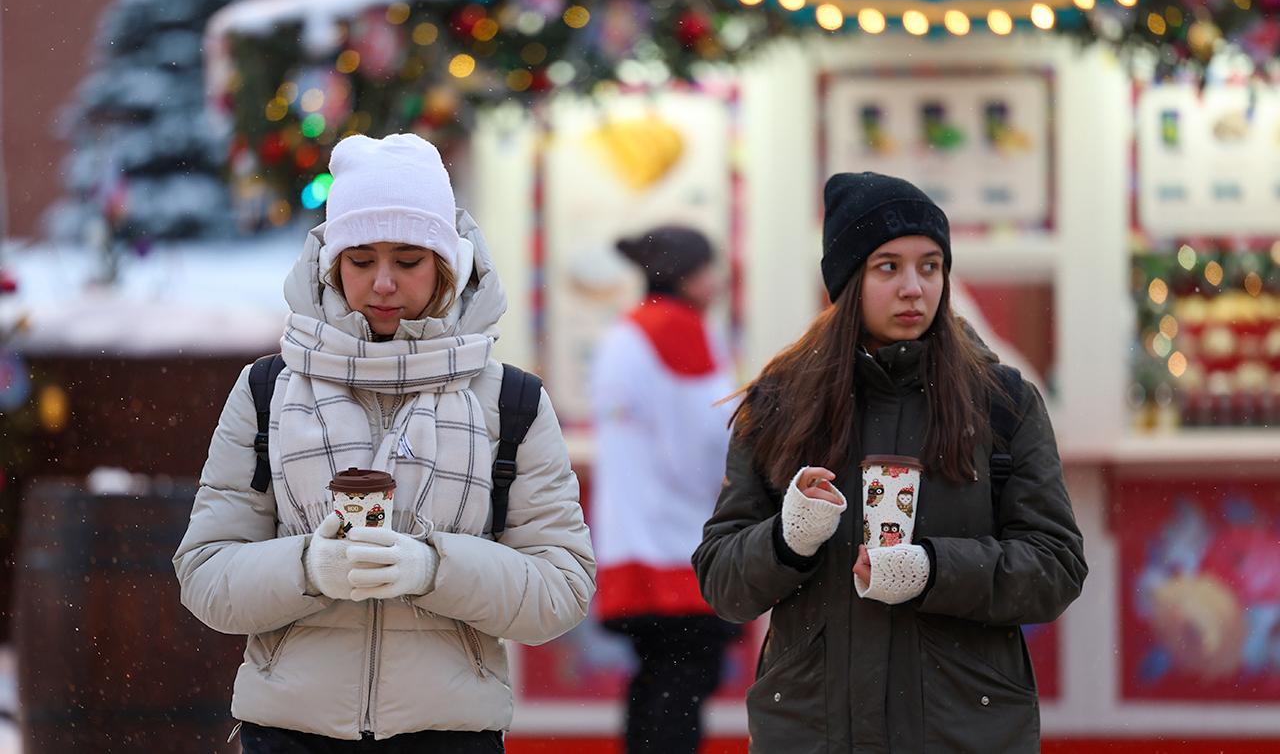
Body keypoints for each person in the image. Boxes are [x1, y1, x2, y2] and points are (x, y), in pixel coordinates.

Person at [173, 133, 595, 752]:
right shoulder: (268, 391)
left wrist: (432, 567)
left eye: (408, 259)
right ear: (331, 265)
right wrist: (309, 568)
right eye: (361, 260)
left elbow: (561, 590)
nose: (383, 284)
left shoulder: (511, 401)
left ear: (447, 263)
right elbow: (206, 577)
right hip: (292, 735)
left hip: (449, 736)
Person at [691, 172, 1087, 753]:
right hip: (815, 733)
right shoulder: (781, 403)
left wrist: (932, 569)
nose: (913, 288)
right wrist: (787, 540)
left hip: (962, 733)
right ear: (849, 280)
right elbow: (723, 583)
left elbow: (1055, 568)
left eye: (930, 266)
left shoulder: (1001, 403)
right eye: (888, 267)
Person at [589, 225, 739, 754]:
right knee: (681, 692)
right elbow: (709, 437)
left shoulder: (625, 332)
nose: (719, 282)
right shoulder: (680, 330)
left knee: (653, 687)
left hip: (630, 542)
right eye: (711, 269)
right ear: (689, 274)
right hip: (680, 543)